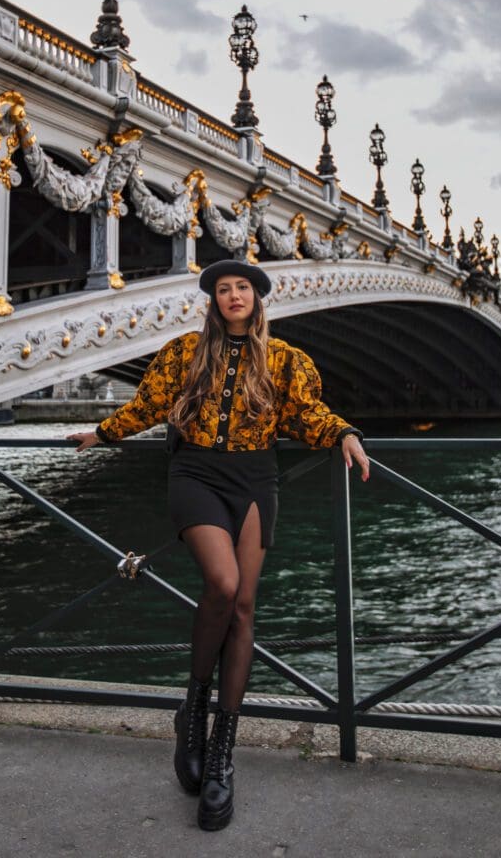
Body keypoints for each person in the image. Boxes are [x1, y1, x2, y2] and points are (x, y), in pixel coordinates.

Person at [68, 259, 369, 831]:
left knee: (245, 610)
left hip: (257, 480)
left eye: (243, 289)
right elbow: (148, 406)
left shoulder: (286, 360)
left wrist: (345, 433)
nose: (234, 296)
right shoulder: (186, 352)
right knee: (223, 585)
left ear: (258, 299)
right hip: (196, 476)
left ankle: (221, 753)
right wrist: (101, 433)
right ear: (214, 300)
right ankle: (194, 705)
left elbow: (308, 416)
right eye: (224, 289)